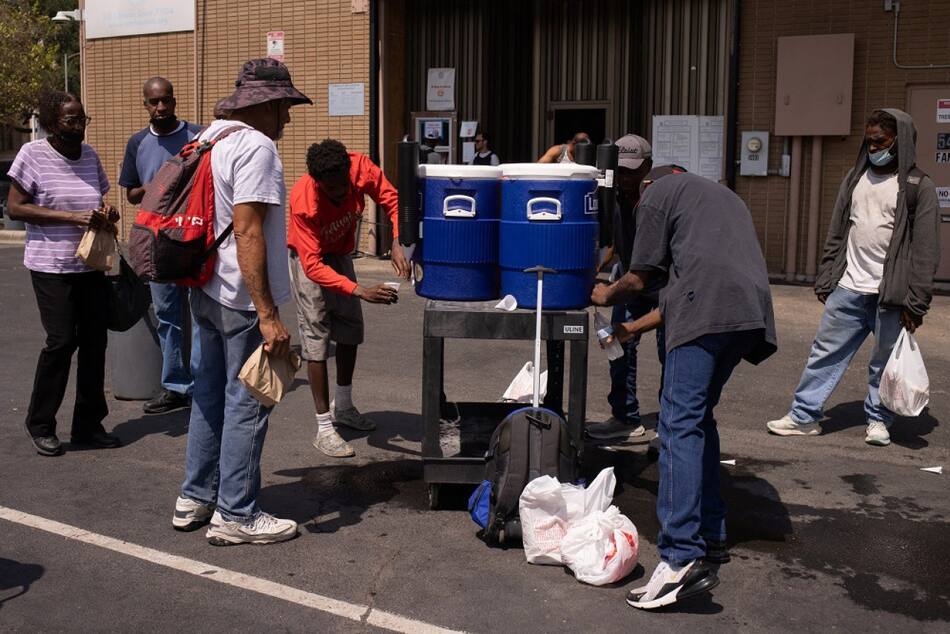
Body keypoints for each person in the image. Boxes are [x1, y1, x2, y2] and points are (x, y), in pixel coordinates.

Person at [592, 166, 777, 609]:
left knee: (675, 425)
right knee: (697, 421)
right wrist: (632, 328)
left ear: (648, 186)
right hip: (748, 315)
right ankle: (710, 539)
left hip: (708, 314)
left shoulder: (657, 195)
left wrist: (602, 295)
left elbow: (640, 277)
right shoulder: (723, 199)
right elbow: (685, 289)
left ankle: (679, 558)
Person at [171, 58, 312, 545]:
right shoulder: (256, 147)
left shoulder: (210, 137)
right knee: (249, 401)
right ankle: (236, 513)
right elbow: (250, 230)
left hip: (205, 286)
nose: (287, 119)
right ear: (266, 106)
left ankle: (196, 497)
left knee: (209, 396)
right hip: (240, 297)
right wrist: (269, 314)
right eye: (284, 107)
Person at [766, 109, 940, 447]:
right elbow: (838, 231)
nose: (874, 148)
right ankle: (804, 416)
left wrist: (916, 303)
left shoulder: (919, 186)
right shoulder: (854, 178)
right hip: (848, 287)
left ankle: (878, 420)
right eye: (870, 141)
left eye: (881, 142)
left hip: (891, 293)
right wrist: (827, 275)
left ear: (900, 142)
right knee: (823, 353)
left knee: (883, 361)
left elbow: (926, 251)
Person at [6, 91, 120, 456]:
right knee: (61, 341)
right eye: (71, 120)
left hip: (89, 263)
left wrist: (107, 213)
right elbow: (16, 208)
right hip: (50, 265)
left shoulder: (89, 156)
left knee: (94, 343)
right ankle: (40, 424)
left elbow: (99, 198)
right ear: (53, 123)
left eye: (82, 119)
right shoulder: (33, 154)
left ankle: (88, 425)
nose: (78, 127)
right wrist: (70, 217)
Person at [288, 139, 410, 458]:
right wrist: (360, 290)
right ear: (318, 183)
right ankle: (324, 428)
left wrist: (398, 240)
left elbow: (393, 199)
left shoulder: (360, 168)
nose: (342, 195)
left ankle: (343, 406)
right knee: (316, 339)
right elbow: (312, 265)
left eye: (344, 186)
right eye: (333, 190)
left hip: (340, 253)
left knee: (351, 331)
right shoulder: (305, 199)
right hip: (308, 261)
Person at [119, 77, 202, 415]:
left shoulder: (197, 135)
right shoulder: (137, 142)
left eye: (166, 100)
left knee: (200, 314)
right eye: (154, 102)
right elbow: (131, 193)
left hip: (193, 238)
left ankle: (203, 383)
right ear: (145, 105)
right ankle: (176, 387)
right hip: (156, 241)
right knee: (168, 316)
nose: (161, 107)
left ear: (175, 100)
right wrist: (158, 185)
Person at [585, 134, 660, 441]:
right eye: (621, 170)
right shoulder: (613, 197)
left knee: (671, 353)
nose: (626, 177)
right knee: (617, 345)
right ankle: (625, 416)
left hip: (665, 283)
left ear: (649, 167)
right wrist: (599, 264)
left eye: (633, 170)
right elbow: (616, 240)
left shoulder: (657, 198)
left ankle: (672, 428)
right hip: (631, 281)